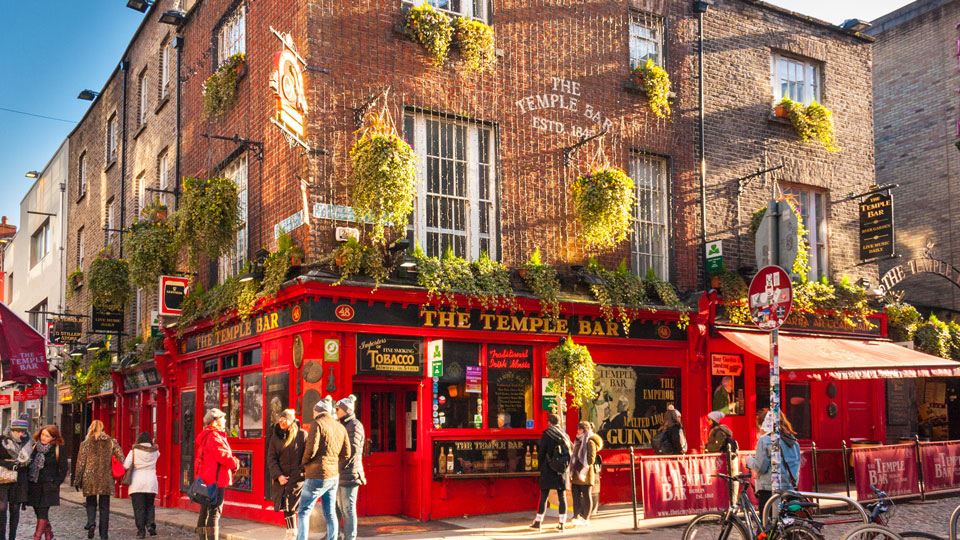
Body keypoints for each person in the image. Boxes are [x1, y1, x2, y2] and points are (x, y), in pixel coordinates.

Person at [297, 396, 349, 540]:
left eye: (314, 411)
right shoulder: (340, 426)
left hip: (316, 475)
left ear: (317, 411)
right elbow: (347, 453)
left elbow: (311, 450)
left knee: (303, 511)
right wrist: (333, 462)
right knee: (330, 512)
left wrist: (304, 463)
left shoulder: (317, 423)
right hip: (333, 476)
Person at [74, 420, 123, 540]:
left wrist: (77, 480)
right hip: (106, 478)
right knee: (104, 507)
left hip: (89, 478)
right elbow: (121, 458)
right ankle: (104, 534)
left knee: (90, 502)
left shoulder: (85, 443)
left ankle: (91, 523)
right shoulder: (111, 442)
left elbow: (81, 464)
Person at [196, 409, 240, 540]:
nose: (225, 421)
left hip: (206, 479)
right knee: (215, 512)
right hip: (216, 479)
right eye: (223, 418)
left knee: (204, 511)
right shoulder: (214, 436)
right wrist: (235, 463)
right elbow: (222, 455)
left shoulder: (206, 435)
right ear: (215, 421)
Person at [747, 411, 802, 512]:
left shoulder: (765, 440)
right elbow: (797, 465)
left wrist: (749, 460)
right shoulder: (794, 442)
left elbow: (760, 467)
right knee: (788, 521)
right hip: (789, 488)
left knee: (767, 524)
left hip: (769, 489)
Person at [267, 409, 306, 540]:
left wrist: (303, 472)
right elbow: (271, 458)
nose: (281, 421)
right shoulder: (275, 437)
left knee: (298, 507)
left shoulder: (302, 435)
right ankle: (291, 533)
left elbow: (308, 456)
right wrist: (278, 476)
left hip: (299, 478)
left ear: (291, 421)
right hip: (283, 478)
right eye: (280, 419)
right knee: (287, 506)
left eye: (285, 419)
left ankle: (297, 534)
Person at [25, 425, 68, 540]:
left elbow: (63, 469)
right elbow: (28, 465)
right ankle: (48, 533)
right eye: (42, 435)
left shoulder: (58, 449)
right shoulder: (34, 448)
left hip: (48, 486)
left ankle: (37, 536)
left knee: (43, 511)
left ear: (54, 438)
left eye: (47, 436)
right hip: (34, 485)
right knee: (38, 512)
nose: (43, 438)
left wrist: (56, 483)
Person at [530, 414, 572, 532]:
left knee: (543, 495)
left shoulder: (547, 434)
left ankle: (538, 522)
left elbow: (542, 453)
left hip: (548, 468)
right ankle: (562, 524)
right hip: (562, 470)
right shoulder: (565, 435)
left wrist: (540, 466)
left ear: (549, 422)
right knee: (562, 495)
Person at [335, 395, 365, 540]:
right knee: (339, 507)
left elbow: (351, 451)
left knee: (348, 508)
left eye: (338, 409)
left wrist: (337, 466)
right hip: (340, 473)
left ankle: (350, 537)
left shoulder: (354, 425)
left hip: (350, 473)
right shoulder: (342, 424)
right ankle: (335, 535)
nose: (336, 412)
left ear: (346, 410)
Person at [124, 432, 160, 538]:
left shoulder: (134, 451)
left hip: (137, 482)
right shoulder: (155, 451)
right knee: (149, 505)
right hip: (151, 482)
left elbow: (126, 465)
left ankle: (141, 531)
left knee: (139, 508)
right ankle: (150, 524)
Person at [0, 418, 30, 540]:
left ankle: (12, 536)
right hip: (3, 480)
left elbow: (28, 461)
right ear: (12, 430)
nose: (20, 434)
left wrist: (24, 463)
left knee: (15, 509)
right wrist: (11, 464)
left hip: (20, 481)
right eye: (17, 431)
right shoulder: (2, 440)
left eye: (23, 432)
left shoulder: (27, 442)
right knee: (2, 509)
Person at [570, 421, 602, 526]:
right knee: (575, 496)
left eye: (579, 429)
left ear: (584, 430)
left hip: (586, 474)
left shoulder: (590, 442)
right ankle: (576, 516)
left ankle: (586, 518)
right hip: (576, 473)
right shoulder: (578, 441)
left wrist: (582, 466)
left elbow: (591, 459)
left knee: (587, 496)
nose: (577, 431)